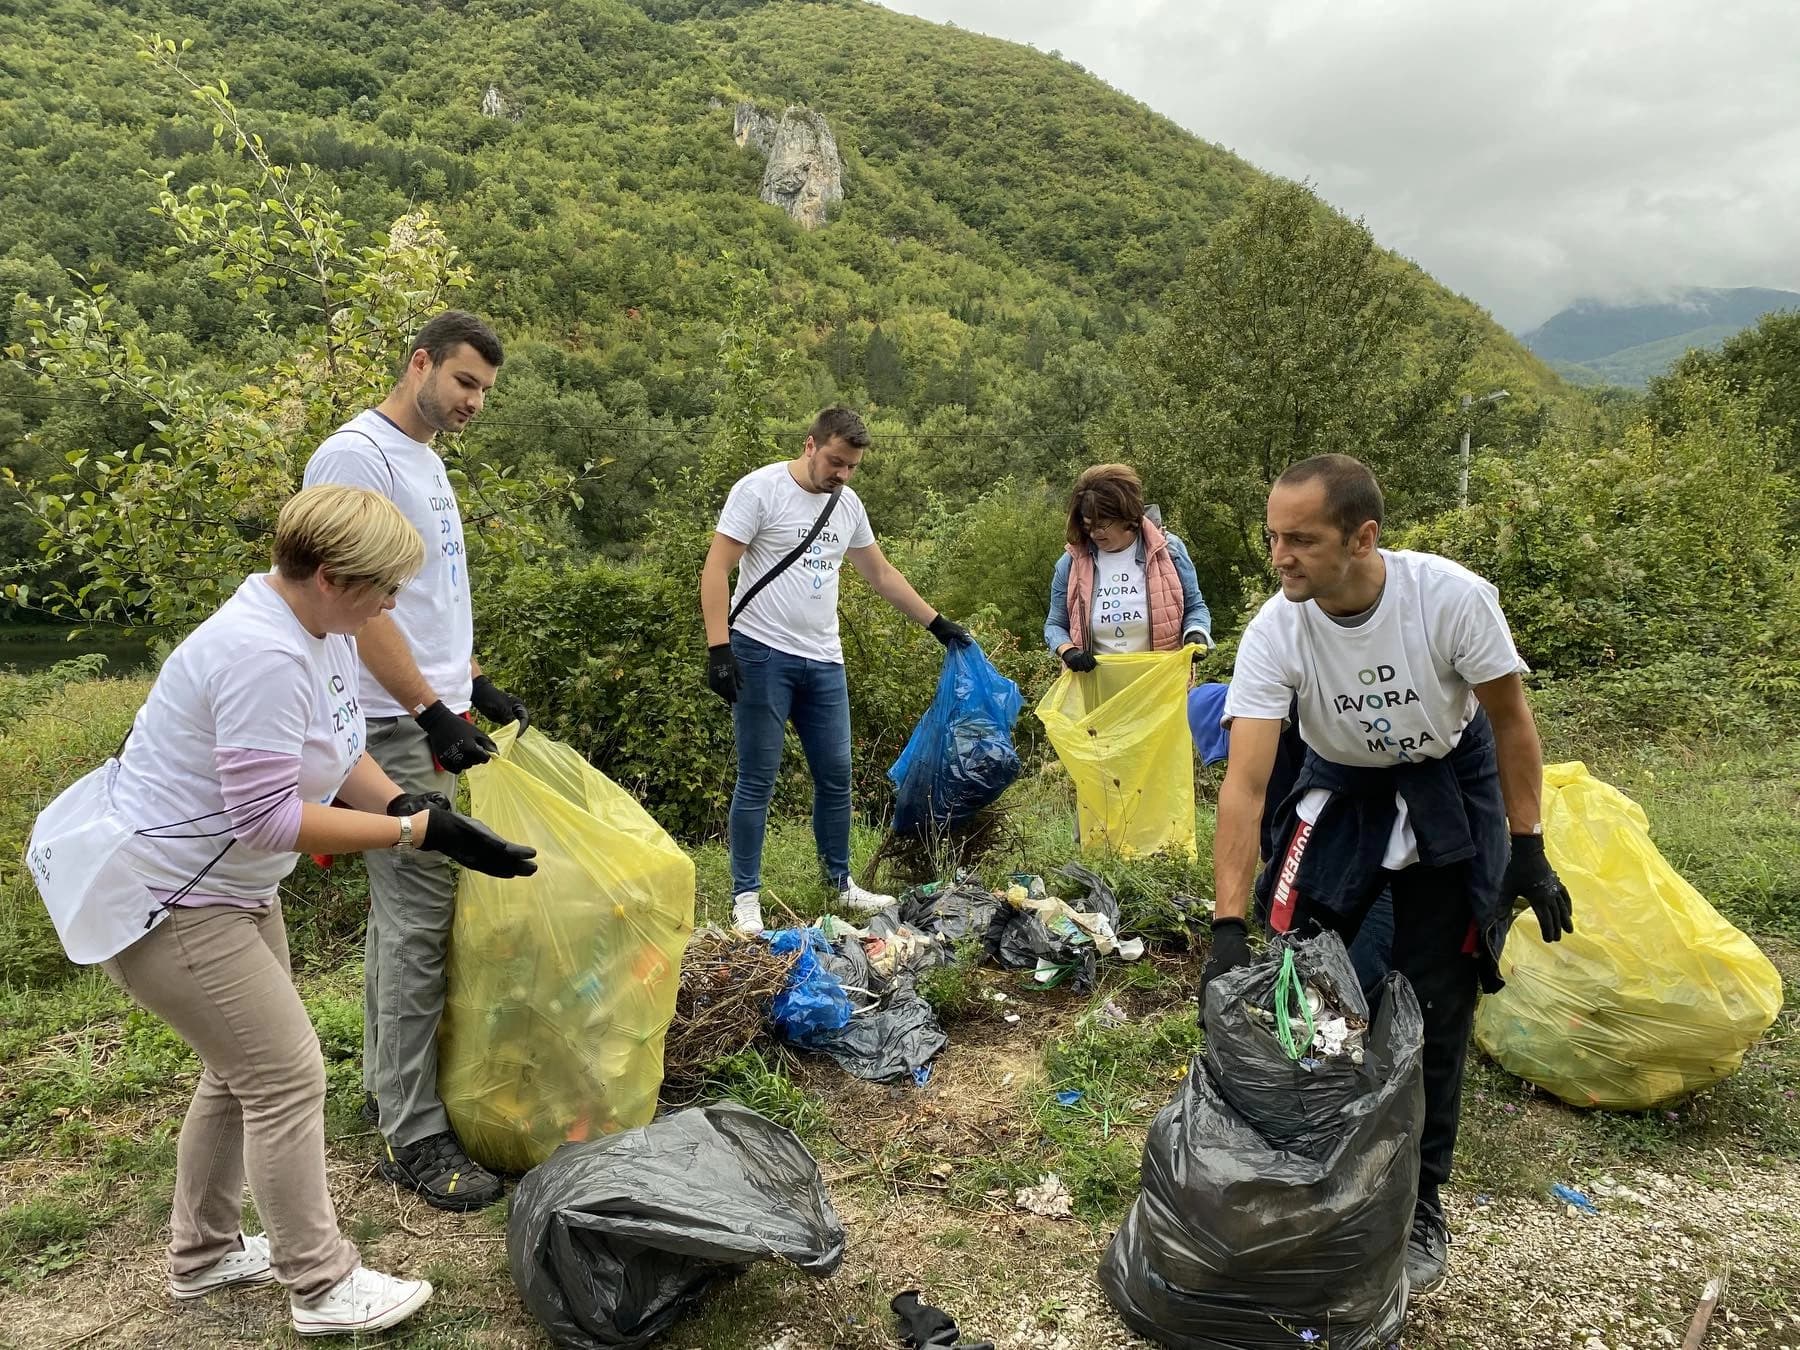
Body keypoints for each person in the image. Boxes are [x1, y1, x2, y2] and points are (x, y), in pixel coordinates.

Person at [88, 486, 536, 1336]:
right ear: (330, 576)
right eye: (384, 590)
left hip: (231, 887)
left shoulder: (317, 627)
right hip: (171, 898)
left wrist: (411, 802)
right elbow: (265, 814)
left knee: (239, 1071)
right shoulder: (261, 653)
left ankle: (204, 1253)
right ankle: (322, 1285)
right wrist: (412, 831)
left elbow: (337, 749)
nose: (393, 606)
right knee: (286, 1076)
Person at [1203, 453, 1573, 1295]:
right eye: (1272, 538)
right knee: (1312, 982)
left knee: (1436, 1000)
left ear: (1363, 537)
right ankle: (1313, 1168)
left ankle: (1423, 1203)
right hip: (1343, 788)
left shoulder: (1449, 598)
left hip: (1448, 781)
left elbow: (1513, 723)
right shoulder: (1277, 628)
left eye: (1301, 539)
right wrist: (1227, 929)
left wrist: (1528, 846)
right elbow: (1247, 781)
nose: (1280, 557)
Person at [301, 310, 530, 1213]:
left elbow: (429, 595)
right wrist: (429, 711)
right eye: (464, 382)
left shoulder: (426, 459)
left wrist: (472, 681)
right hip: (391, 723)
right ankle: (414, 1132)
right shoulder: (357, 457)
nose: (473, 402)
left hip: (431, 704)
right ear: (420, 362)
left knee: (404, 918)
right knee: (420, 919)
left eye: (485, 392)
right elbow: (363, 605)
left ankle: (387, 1089)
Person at [700, 406, 973, 935]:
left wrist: (937, 623)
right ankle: (746, 896)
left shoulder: (846, 505)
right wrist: (719, 649)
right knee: (758, 777)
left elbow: (880, 572)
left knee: (836, 775)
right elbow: (716, 568)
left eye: (851, 467)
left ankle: (840, 881)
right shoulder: (758, 491)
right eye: (834, 462)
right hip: (761, 652)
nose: (841, 475)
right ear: (810, 446)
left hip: (824, 659)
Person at [1044, 463, 1212, 670]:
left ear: (1127, 516)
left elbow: (1195, 607)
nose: (1094, 533)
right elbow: (1055, 624)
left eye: (1102, 525)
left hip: (1159, 687)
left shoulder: (1170, 551)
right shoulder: (1071, 562)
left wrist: (1196, 633)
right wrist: (1068, 651)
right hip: (1094, 692)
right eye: (1088, 526)